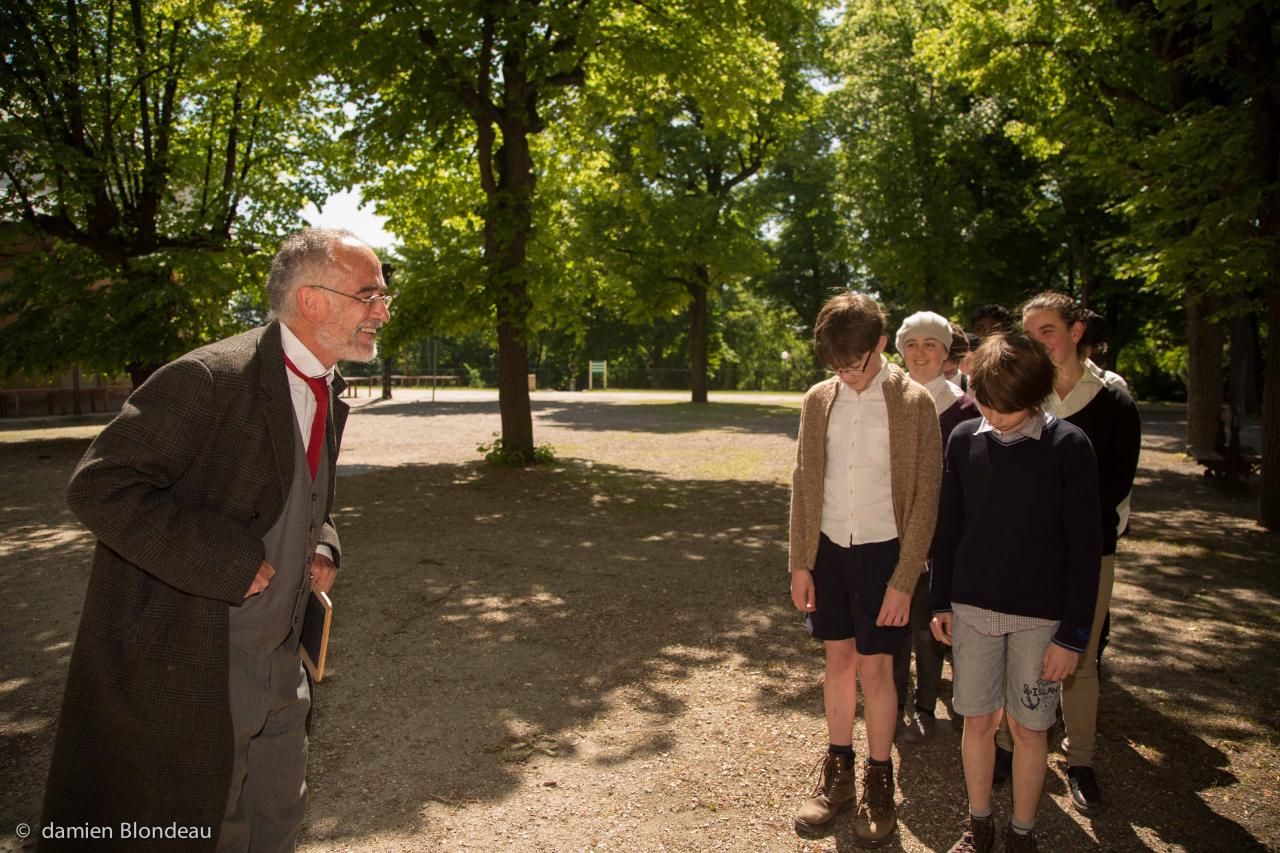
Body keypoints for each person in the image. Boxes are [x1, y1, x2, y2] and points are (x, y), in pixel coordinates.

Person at [39, 228, 390, 852]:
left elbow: (303, 491)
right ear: (312, 301)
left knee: (276, 816)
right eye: (370, 295)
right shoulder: (208, 378)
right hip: (199, 656)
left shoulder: (325, 386)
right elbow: (100, 486)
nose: (382, 312)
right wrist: (225, 559)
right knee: (201, 824)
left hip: (281, 662)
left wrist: (322, 541)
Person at [930, 332, 1102, 853]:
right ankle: (978, 823)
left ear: (1035, 395)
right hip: (972, 610)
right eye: (987, 402)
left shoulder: (1070, 446)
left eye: (1010, 408)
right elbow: (949, 526)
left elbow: (1085, 551)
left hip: (1041, 621)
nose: (997, 416)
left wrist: (1072, 637)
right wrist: (940, 599)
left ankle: (1022, 832)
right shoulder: (962, 439)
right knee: (977, 721)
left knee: (1030, 731)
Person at [789, 292, 943, 846]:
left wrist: (905, 580)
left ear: (881, 344)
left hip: (885, 553)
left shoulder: (914, 401)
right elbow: (804, 483)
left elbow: (927, 499)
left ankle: (880, 782)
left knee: (877, 672)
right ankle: (838, 778)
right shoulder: (817, 399)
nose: (847, 377)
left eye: (855, 365)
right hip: (829, 549)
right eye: (836, 368)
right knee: (837, 662)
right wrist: (800, 563)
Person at [996, 291, 1140, 813]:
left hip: (1087, 554)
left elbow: (1113, 487)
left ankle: (1080, 761)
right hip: (1025, 557)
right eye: (1029, 333)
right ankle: (1009, 747)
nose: (1037, 342)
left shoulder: (1114, 402)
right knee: (1019, 652)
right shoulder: (1019, 396)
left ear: (1075, 332)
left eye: (1047, 330)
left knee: (1077, 658)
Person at [891, 312, 979, 742]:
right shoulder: (887, 398)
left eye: (931, 344)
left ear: (946, 353)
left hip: (939, 535)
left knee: (927, 626)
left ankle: (926, 705)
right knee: (891, 623)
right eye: (912, 343)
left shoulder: (964, 409)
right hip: (888, 530)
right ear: (900, 348)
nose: (920, 352)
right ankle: (893, 702)